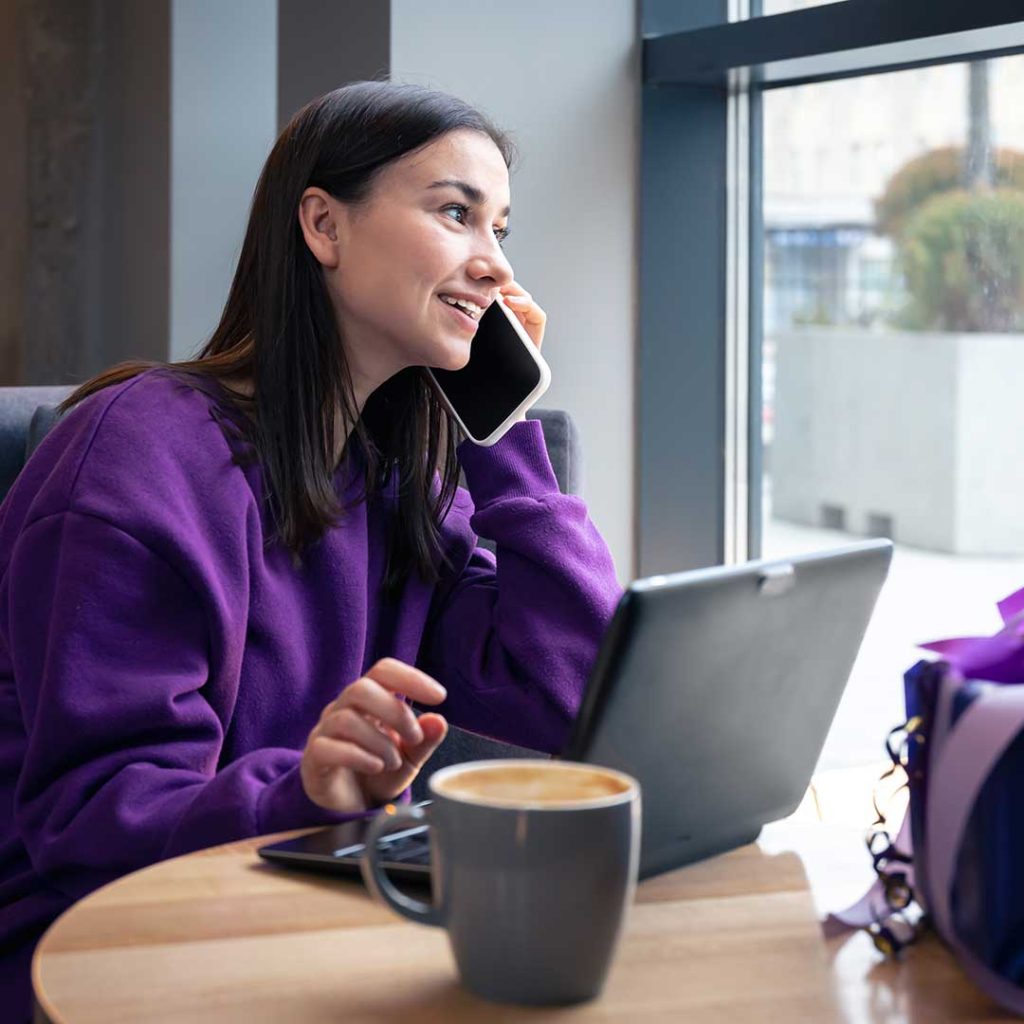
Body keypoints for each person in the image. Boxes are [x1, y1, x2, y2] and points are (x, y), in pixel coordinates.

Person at [0, 80, 622, 1020]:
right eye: (456, 213)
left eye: (501, 230)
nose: (496, 265)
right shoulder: (139, 457)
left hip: (297, 910)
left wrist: (500, 437)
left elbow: (565, 700)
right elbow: (95, 820)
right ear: (324, 226)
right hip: (97, 951)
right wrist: (300, 790)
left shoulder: (402, 476)